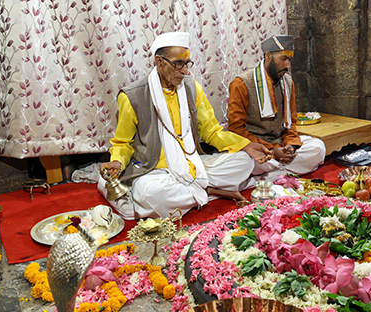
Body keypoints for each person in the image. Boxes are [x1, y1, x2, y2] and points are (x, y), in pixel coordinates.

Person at [99, 32, 271, 220]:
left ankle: (197, 192)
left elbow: (211, 131)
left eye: (186, 63)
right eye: (178, 63)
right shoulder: (133, 96)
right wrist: (117, 161)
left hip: (192, 164)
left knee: (244, 161)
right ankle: (214, 191)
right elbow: (123, 142)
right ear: (159, 61)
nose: (185, 71)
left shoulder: (191, 87)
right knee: (149, 193)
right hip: (154, 171)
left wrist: (245, 145)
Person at [227, 35, 326, 183]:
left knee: (318, 147)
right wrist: (272, 150)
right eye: (283, 59)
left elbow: (291, 122)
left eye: (290, 60)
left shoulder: (287, 82)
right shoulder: (241, 84)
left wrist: (291, 146)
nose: (288, 66)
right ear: (268, 56)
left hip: (280, 144)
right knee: (242, 162)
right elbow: (236, 129)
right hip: (256, 148)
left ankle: (266, 177)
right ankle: (279, 173)